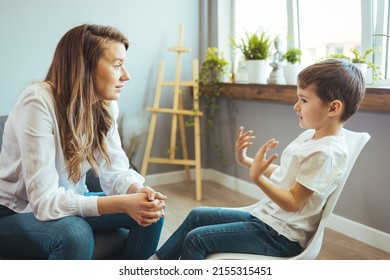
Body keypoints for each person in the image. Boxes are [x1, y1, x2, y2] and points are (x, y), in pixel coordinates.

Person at [149, 58, 366, 260]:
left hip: (280, 236)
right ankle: (155, 264)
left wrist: (258, 178)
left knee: (197, 239)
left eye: (303, 100)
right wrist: (247, 161)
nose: (296, 106)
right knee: (197, 216)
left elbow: (292, 203)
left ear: (333, 108)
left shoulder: (327, 153)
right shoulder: (312, 136)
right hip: (267, 220)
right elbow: (288, 176)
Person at [0, 24, 167, 260]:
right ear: (84, 67)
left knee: (152, 210)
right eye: (117, 65)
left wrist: (138, 193)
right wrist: (123, 203)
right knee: (75, 234)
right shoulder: (37, 102)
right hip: (13, 213)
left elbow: (116, 173)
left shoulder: (104, 105)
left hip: (64, 201)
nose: (126, 75)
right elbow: (45, 203)